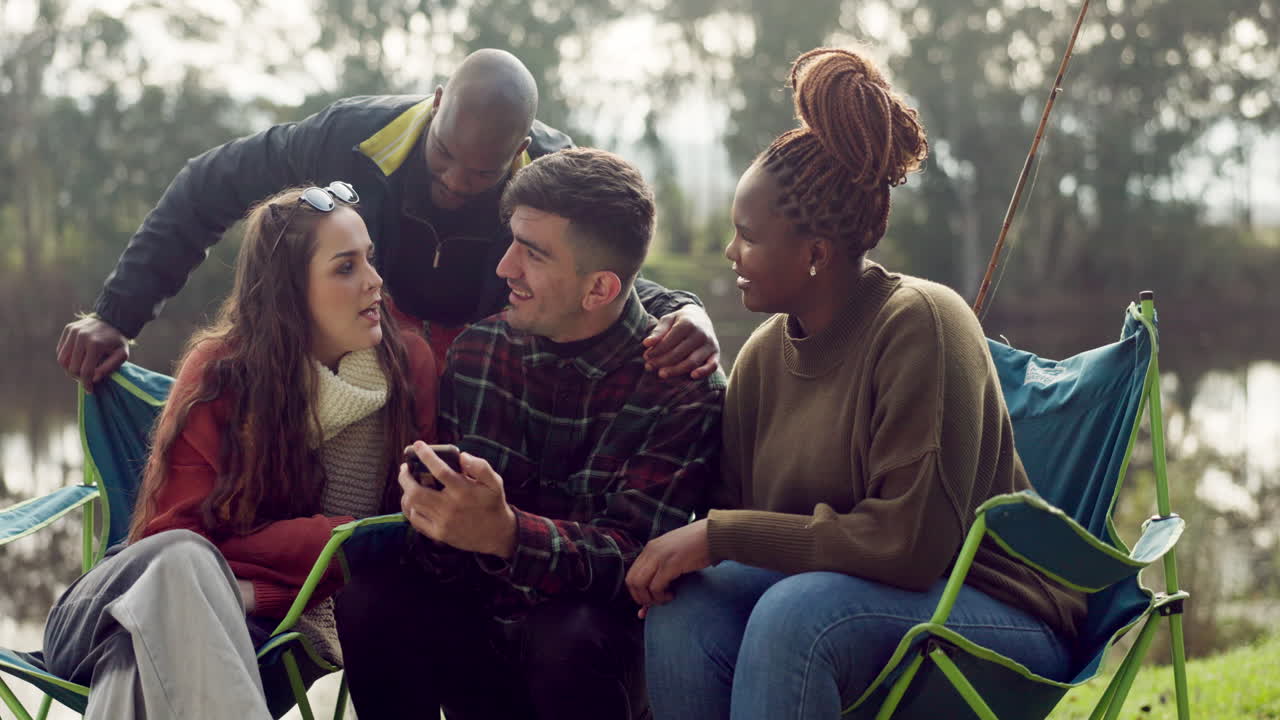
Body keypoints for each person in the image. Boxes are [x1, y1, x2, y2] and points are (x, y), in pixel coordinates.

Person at [625, 48, 1088, 719]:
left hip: (995, 616)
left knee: (794, 616)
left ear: (815, 252)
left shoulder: (922, 323)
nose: (731, 254)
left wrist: (717, 535)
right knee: (688, 607)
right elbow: (742, 529)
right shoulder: (759, 360)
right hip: (845, 606)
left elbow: (909, 546)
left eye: (747, 237)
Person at [56, 48, 720, 390]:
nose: (458, 185)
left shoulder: (552, 169)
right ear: (435, 105)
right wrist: (117, 313)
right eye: (445, 162)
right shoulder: (348, 135)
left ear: (521, 149)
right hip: (355, 356)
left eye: (484, 175)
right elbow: (210, 185)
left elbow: (604, 272)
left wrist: (686, 310)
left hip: (485, 381)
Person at [333, 148, 725, 720]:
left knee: (567, 631)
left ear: (598, 290)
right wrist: (436, 518)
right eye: (512, 241)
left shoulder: (683, 388)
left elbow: (638, 560)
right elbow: (442, 564)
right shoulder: (477, 353)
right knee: (373, 594)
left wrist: (510, 534)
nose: (504, 268)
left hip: (587, 654)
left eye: (532, 254)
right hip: (475, 635)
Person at [39, 182, 438, 719]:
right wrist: (332, 539)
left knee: (133, 662)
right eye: (346, 267)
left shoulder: (404, 369)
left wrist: (257, 570)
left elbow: (398, 541)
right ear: (290, 291)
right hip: (108, 607)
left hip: (187, 632)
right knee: (183, 559)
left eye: (369, 258)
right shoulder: (223, 372)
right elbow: (173, 539)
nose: (374, 281)